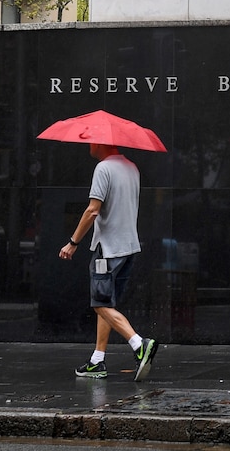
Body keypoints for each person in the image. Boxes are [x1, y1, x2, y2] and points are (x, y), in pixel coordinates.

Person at [59, 143, 158, 381]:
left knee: (99, 304)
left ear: (103, 143)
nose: (89, 144)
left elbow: (93, 210)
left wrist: (73, 242)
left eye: (93, 140)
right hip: (129, 248)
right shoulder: (132, 168)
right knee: (107, 304)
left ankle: (139, 344)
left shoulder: (103, 168)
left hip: (109, 249)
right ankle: (97, 360)